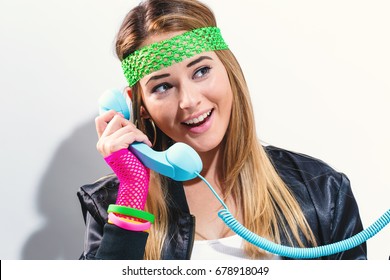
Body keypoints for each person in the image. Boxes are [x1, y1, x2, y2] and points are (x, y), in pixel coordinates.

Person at [77, 0, 366, 260]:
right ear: (138, 106)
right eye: (163, 86)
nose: (189, 101)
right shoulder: (112, 203)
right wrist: (133, 190)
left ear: (229, 71)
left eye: (201, 71)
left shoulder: (322, 192)